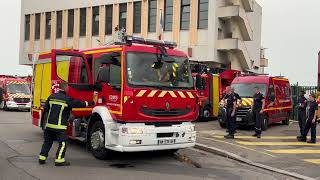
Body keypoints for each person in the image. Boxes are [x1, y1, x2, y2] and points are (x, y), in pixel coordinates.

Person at [38, 82, 93, 166]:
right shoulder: (67, 99)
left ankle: (42, 158)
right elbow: (78, 104)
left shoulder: (51, 97)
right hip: (60, 127)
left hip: (49, 126)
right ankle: (59, 160)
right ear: (66, 88)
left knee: (47, 142)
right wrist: (90, 103)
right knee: (63, 143)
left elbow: (46, 109)